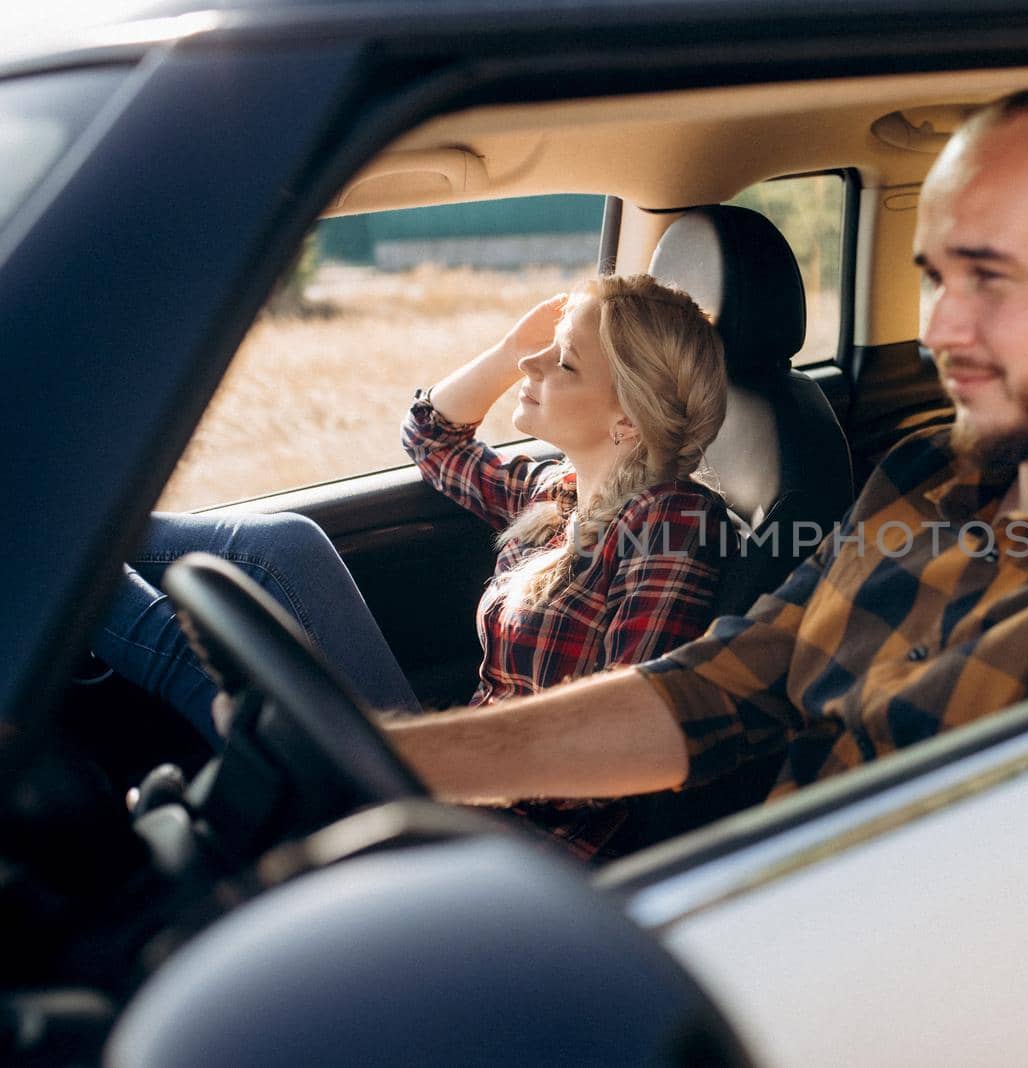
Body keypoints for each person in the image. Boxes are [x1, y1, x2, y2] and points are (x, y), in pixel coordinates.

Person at [376, 86, 1028, 811]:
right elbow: (732, 683)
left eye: (993, 279)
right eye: (936, 278)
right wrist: (397, 767)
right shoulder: (930, 474)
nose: (938, 330)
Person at [93, 274, 732, 818]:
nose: (528, 368)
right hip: (457, 774)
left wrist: (421, 773)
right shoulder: (560, 492)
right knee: (287, 545)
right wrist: (513, 345)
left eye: (562, 362)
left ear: (628, 420)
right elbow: (433, 437)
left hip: (510, 831)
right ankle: (83, 540)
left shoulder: (670, 522)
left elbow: (621, 744)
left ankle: (55, 561)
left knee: (195, 663)